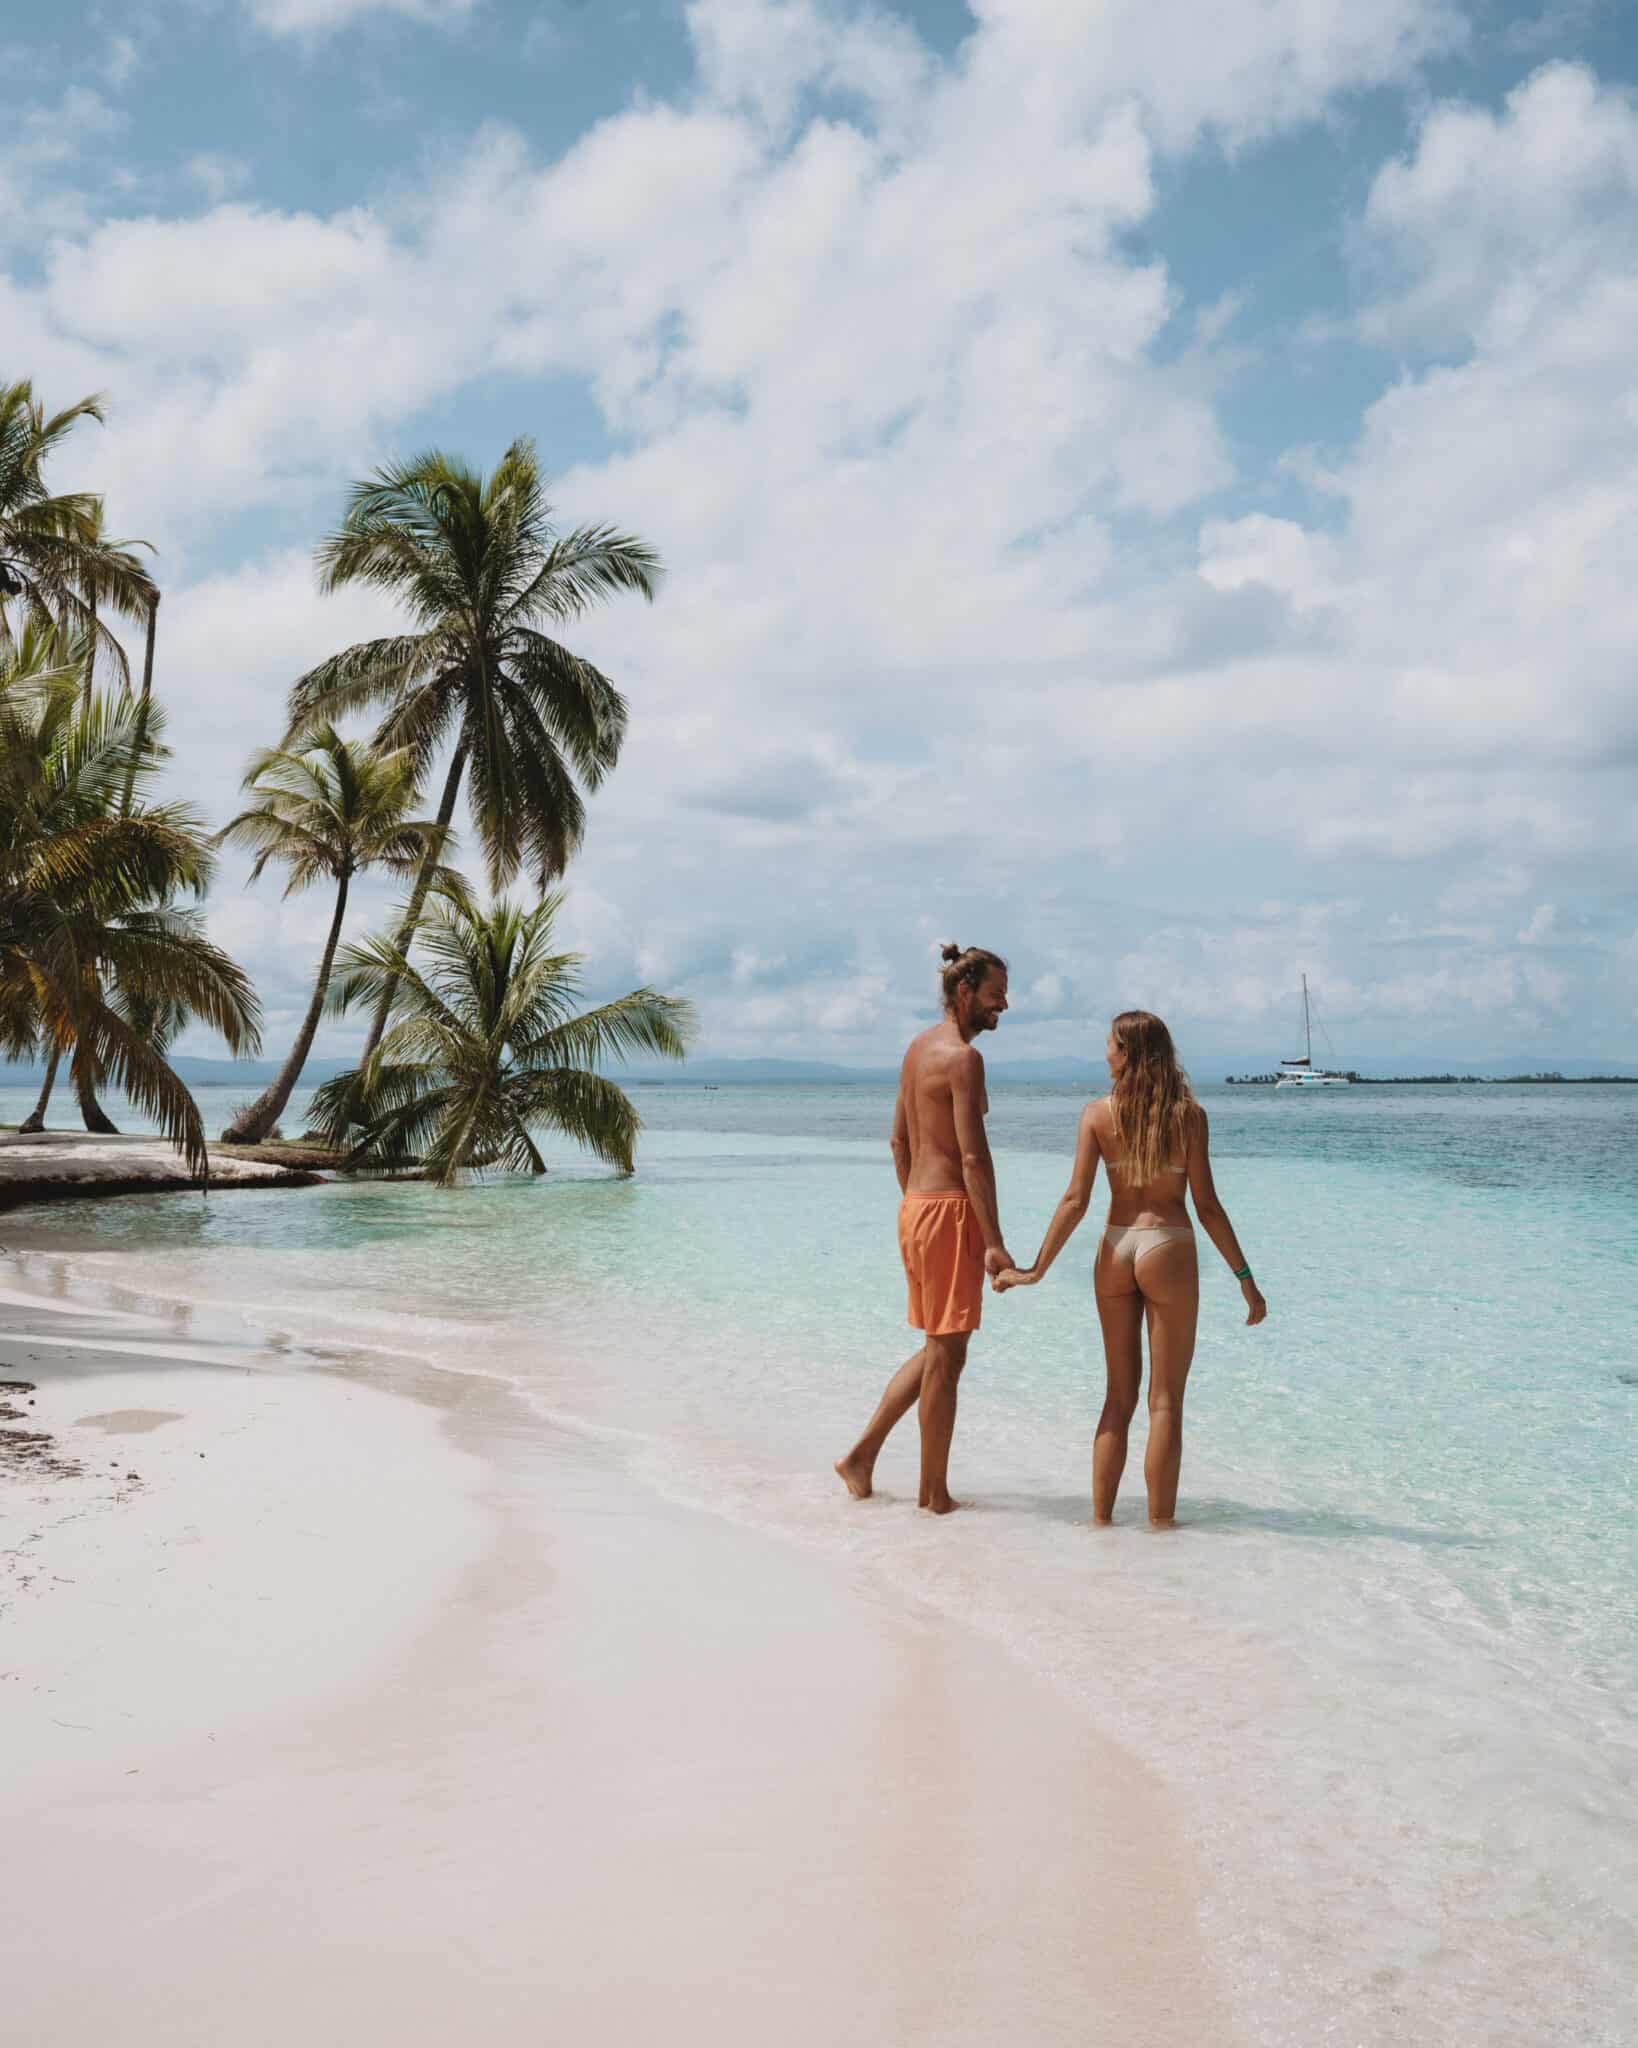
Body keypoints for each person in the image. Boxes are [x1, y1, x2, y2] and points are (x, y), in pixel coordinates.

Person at [994, 1010, 1266, 1527]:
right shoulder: (1189, 1116)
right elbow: (1207, 1205)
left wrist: (1035, 1269)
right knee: (1164, 1402)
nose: (1105, 1054)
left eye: (1111, 1047)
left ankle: (1101, 1525)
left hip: (1116, 1248)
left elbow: (1076, 1199)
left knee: (1118, 1397)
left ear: (1129, 1053)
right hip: (1167, 1244)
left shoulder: (1097, 1114)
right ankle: (1162, 1529)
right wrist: (1246, 1282)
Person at [835, 943, 1013, 1515]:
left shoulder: (916, 1050)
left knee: (941, 1347)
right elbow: (973, 1159)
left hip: (917, 1205)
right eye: (993, 995)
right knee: (947, 1355)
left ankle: (862, 1455)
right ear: (964, 994)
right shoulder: (962, 1058)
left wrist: (915, 1203)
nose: (1002, 1006)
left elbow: (897, 1140)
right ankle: (933, 1495)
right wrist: (993, 1241)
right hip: (947, 1208)